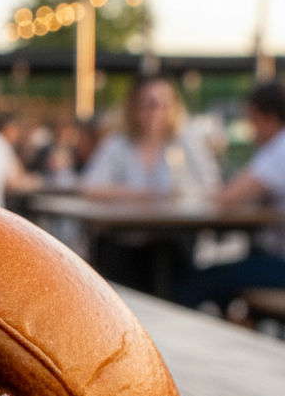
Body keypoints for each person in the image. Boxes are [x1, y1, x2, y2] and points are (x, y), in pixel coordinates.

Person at [175, 81, 285, 309]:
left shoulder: (279, 149)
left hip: (280, 264)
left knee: (192, 284)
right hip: (273, 257)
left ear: (267, 117)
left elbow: (226, 197)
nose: (249, 128)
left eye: (251, 119)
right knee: (224, 279)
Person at [80, 77, 220, 199]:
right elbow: (90, 188)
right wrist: (141, 196)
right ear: (133, 106)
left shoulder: (187, 142)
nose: (156, 110)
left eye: (164, 102)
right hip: (127, 226)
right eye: (148, 103)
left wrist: (185, 195)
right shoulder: (118, 144)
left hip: (181, 227)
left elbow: (213, 187)